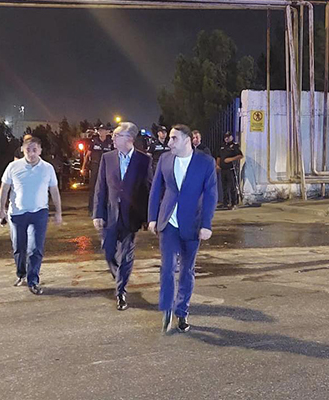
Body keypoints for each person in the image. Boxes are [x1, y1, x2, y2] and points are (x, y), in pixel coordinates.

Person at [148, 124, 217, 334]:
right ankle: (167, 308)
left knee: (187, 270)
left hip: (192, 224)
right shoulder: (165, 159)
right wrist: (152, 218)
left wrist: (206, 224)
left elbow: (211, 195)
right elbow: (155, 189)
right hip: (168, 222)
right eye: (169, 138)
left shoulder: (205, 162)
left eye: (174, 138)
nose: (169, 143)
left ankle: (182, 311)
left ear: (187, 140)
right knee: (167, 267)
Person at [93, 122, 153, 311]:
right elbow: (100, 187)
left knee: (126, 254)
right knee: (108, 251)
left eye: (117, 135)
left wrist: (148, 216)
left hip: (131, 215)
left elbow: (147, 189)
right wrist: (97, 214)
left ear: (129, 139)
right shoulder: (107, 158)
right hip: (110, 214)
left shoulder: (144, 160)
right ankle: (120, 277)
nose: (113, 138)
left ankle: (121, 291)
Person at [0, 136, 63, 295]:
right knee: (19, 247)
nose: (31, 153)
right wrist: (0, 210)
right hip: (17, 213)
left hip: (39, 212)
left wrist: (58, 212)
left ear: (40, 150)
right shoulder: (13, 167)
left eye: (34, 150)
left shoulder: (47, 168)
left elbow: (54, 191)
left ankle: (33, 280)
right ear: (22, 150)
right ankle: (21, 274)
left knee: (35, 248)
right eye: (28, 150)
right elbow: (4, 189)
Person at [82, 124, 113, 215]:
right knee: (93, 187)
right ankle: (91, 209)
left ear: (107, 132)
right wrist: (83, 167)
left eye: (103, 130)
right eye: (99, 130)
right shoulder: (94, 141)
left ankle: (105, 208)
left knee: (107, 187)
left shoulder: (110, 142)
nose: (101, 132)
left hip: (107, 167)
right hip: (95, 166)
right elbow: (87, 155)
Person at [216, 131, 243, 210]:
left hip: (230, 169)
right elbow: (219, 156)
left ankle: (234, 203)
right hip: (223, 169)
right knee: (224, 187)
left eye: (228, 137)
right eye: (225, 137)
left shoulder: (234, 146)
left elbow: (240, 155)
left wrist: (230, 159)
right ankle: (225, 203)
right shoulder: (222, 146)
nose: (227, 138)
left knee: (232, 187)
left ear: (232, 137)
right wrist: (217, 165)